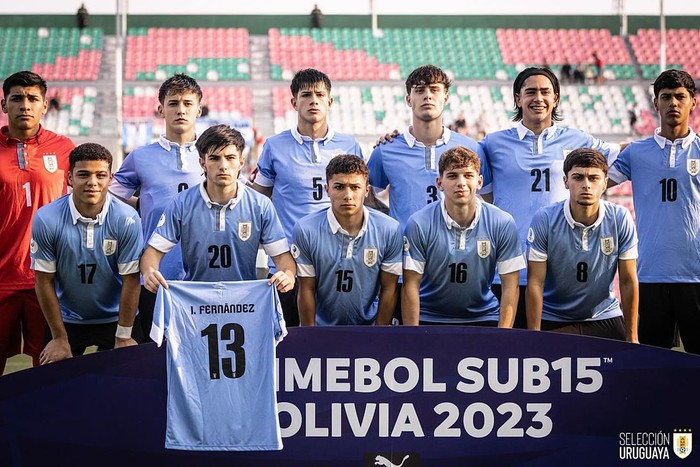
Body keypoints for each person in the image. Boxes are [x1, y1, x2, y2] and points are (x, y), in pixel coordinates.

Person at [479, 66, 621, 329]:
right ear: (517, 98)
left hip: (559, 278)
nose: (538, 98)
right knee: (509, 360)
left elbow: (624, 156)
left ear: (555, 98)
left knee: (555, 362)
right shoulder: (492, 143)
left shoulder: (578, 139)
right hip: (508, 274)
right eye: (530, 91)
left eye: (545, 92)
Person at [252, 68, 362, 326]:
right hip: (288, 262)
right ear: (294, 102)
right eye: (306, 94)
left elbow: (360, 200)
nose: (314, 100)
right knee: (290, 340)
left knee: (338, 340)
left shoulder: (349, 145)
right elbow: (259, 201)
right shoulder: (274, 145)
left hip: (337, 259)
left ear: (330, 101)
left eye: (320, 95)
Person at [141, 124, 296, 295]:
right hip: (195, 302)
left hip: (245, 303)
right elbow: (152, 253)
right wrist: (149, 272)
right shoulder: (182, 203)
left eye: (230, 158)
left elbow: (283, 258)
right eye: (215, 158)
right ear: (202, 163)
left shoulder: (260, 205)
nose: (223, 165)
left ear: (241, 162)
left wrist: (287, 275)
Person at [608, 69, 700, 354]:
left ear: (692, 102)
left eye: (680, 97)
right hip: (648, 274)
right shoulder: (636, 152)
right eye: (666, 97)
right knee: (652, 362)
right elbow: (596, 184)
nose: (673, 103)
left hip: (696, 275)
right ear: (656, 103)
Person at [110, 73, 204, 341]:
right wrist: (142, 205)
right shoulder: (140, 157)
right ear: (161, 108)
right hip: (155, 276)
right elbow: (111, 200)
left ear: (199, 108)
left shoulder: (215, 154)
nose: (181, 110)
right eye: (173, 103)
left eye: (188, 103)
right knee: (152, 358)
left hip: (203, 277)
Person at [31, 143, 143, 363]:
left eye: (100, 175)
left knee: (131, 387)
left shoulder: (127, 219)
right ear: (70, 178)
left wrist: (123, 336)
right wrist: (59, 338)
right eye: (83, 174)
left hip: (116, 318)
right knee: (54, 391)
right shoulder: (47, 218)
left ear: (110, 178)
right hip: (67, 319)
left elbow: (131, 280)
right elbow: (43, 280)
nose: (92, 182)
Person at [0, 71, 74, 373]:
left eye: (33, 99)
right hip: (1, 280)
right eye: (17, 98)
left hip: (46, 279)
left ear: (45, 105)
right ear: (5, 105)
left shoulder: (64, 148)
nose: (25, 105)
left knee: (48, 368)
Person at [402, 147, 525, 326]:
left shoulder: (502, 222)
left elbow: (511, 287)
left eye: (468, 175)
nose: (461, 183)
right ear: (439, 183)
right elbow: (410, 286)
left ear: (480, 181)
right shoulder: (419, 223)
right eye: (452, 176)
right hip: (429, 317)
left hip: (484, 317)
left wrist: (502, 337)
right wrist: (413, 338)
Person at [526, 148, 639, 342]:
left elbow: (628, 280)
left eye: (593, 178)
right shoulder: (545, 218)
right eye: (578, 177)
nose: (586, 185)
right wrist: (535, 337)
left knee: (623, 368)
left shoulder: (620, 218)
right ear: (566, 182)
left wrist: (632, 337)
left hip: (604, 314)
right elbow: (535, 283)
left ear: (605, 183)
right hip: (553, 316)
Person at [368, 65, 485, 231]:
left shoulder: (472, 148)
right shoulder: (385, 150)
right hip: (405, 250)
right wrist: (391, 223)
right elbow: (364, 196)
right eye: (420, 90)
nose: (428, 95)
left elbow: (488, 197)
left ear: (446, 97)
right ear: (409, 99)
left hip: (457, 251)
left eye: (435, 90)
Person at [292, 154, 402, 326]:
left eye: (355, 187)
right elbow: (307, 289)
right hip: (323, 330)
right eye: (339, 187)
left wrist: (380, 335)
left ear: (367, 191)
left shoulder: (390, 229)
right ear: (326, 189)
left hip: (369, 328)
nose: (348, 195)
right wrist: (310, 336)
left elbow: (389, 289)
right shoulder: (306, 229)